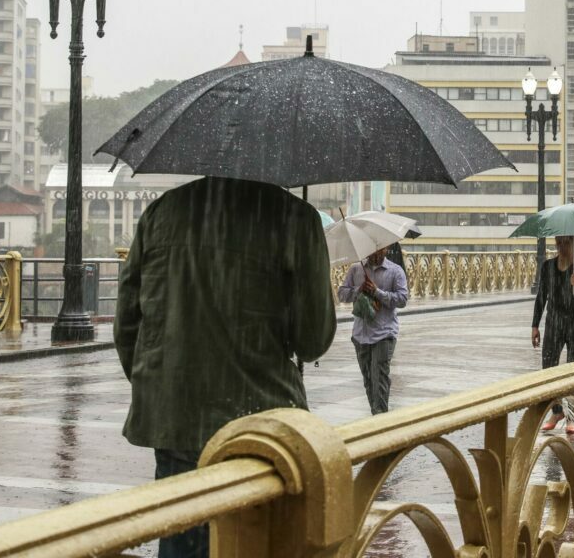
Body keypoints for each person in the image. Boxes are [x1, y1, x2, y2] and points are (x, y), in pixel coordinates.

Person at [115, 176, 335, 558]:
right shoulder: (295, 217)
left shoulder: (164, 210)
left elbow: (127, 322)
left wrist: (162, 382)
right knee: (257, 542)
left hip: (176, 416)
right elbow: (313, 339)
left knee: (184, 539)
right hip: (260, 422)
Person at [530, 235, 574, 435]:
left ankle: (571, 415)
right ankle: (557, 411)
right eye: (559, 243)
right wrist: (535, 325)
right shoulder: (548, 267)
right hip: (554, 322)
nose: (562, 247)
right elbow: (541, 296)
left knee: (573, 368)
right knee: (549, 368)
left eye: (566, 243)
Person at [338, 244, 409, 416]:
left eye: (380, 249)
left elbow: (402, 299)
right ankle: (375, 415)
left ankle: (380, 419)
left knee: (380, 379)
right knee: (368, 380)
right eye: (372, 250)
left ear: (386, 250)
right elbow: (341, 294)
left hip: (384, 334)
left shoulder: (395, 271)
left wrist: (377, 292)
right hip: (360, 335)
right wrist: (359, 289)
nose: (376, 253)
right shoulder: (356, 269)